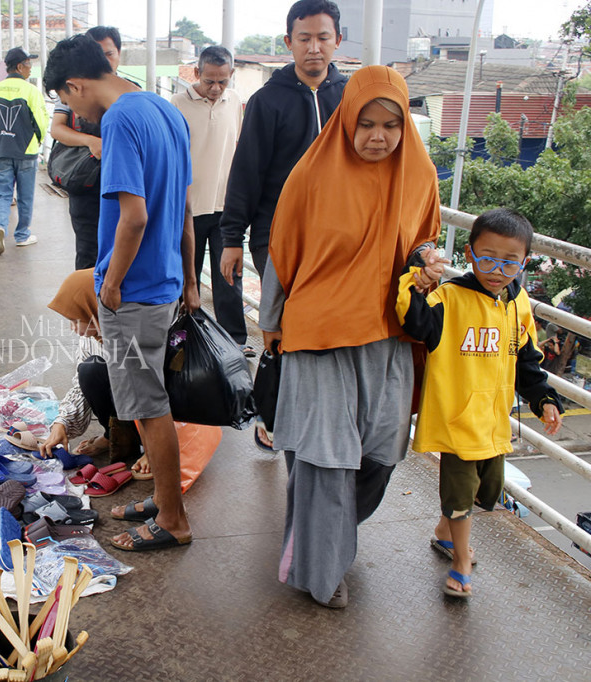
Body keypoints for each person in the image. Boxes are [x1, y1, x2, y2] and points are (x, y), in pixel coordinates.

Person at [258, 65, 442, 608]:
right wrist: (272, 323)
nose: (378, 136)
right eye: (366, 123)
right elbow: (281, 250)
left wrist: (427, 265)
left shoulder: (420, 175)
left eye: (391, 124)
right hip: (319, 334)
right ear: (347, 121)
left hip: (388, 339)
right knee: (327, 458)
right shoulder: (313, 174)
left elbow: (425, 242)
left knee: (380, 456)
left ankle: (323, 534)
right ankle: (322, 567)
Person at [44, 35, 199, 552]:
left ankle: (173, 519)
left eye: (69, 101)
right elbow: (183, 208)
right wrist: (191, 280)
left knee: (147, 405)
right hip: (165, 282)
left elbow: (134, 216)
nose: (74, 112)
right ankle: (161, 495)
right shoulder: (164, 108)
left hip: (133, 288)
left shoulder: (118, 120)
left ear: (75, 84)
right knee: (150, 399)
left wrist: (108, 285)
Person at [397, 208, 563, 599]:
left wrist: (544, 400)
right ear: (469, 254)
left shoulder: (518, 303)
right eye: (487, 257)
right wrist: (415, 278)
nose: (497, 269)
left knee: (482, 491)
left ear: (524, 262)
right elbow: (413, 321)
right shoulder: (449, 298)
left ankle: (444, 534)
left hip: (493, 419)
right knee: (459, 494)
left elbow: (527, 359)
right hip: (457, 419)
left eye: (509, 261)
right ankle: (460, 563)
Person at [219, 0, 347, 281]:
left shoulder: (350, 97)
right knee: (287, 321)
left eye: (323, 38)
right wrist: (232, 240)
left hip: (340, 238)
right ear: (289, 42)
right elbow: (246, 173)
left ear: (337, 40)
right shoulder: (266, 101)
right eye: (305, 38)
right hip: (277, 238)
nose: (314, 47)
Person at [171, 45, 247, 349]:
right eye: (209, 81)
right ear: (196, 73)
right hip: (187, 208)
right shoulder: (176, 104)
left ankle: (234, 342)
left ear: (231, 76)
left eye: (223, 81)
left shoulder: (236, 102)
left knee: (229, 279)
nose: (216, 88)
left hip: (226, 208)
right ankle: (184, 339)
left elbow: (238, 150)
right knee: (184, 279)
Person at [39, 269, 141, 462]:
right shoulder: (92, 337)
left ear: (92, 310)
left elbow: (153, 393)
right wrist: (61, 424)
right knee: (90, 370)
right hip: (128, 404)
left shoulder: (135, 331)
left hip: (157, 411)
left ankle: (151, 445)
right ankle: (114, 435)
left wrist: (154, 451)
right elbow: (81, 385)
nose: (73, 328)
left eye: (75, 320)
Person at [49, 26, 123, 270]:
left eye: (109, 54)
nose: (104, 61)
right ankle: (90, 303)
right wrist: (90, 141)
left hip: (119, 184)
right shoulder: (74, 89)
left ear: (119, 54)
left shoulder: (129, 99)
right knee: (88, 250)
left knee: (120, 246)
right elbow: (57, 129)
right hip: (86, 182)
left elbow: (136, 220)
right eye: (98, 54)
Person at [0, 47, 48, 254]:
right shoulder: (31, 91)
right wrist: (38, 141)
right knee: (25, 196)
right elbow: (42, 122)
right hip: (25, 151)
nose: (30, 69)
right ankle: (22, 235)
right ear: (19, 66)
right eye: (29, 65)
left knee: (1, 195)